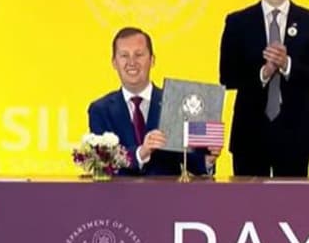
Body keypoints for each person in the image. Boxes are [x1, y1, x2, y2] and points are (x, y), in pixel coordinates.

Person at [219, 0, 309, 176]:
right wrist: (265, 72)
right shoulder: (237, 22)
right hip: (249, 134)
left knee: (292, 199)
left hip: (295, 134)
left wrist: (287, 64)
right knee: (246, 198)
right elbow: (227, 76)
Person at [88, 27, 218, 175]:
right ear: (114, 63)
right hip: (119, 190)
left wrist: (208, 160)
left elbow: (190, 161)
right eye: (124, 55)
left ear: (152, 60)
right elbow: (103, 161)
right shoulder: (100, 110)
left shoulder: (176, 104)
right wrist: (141, 153)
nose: (132, 62)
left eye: (139, 55)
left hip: (166, 190)